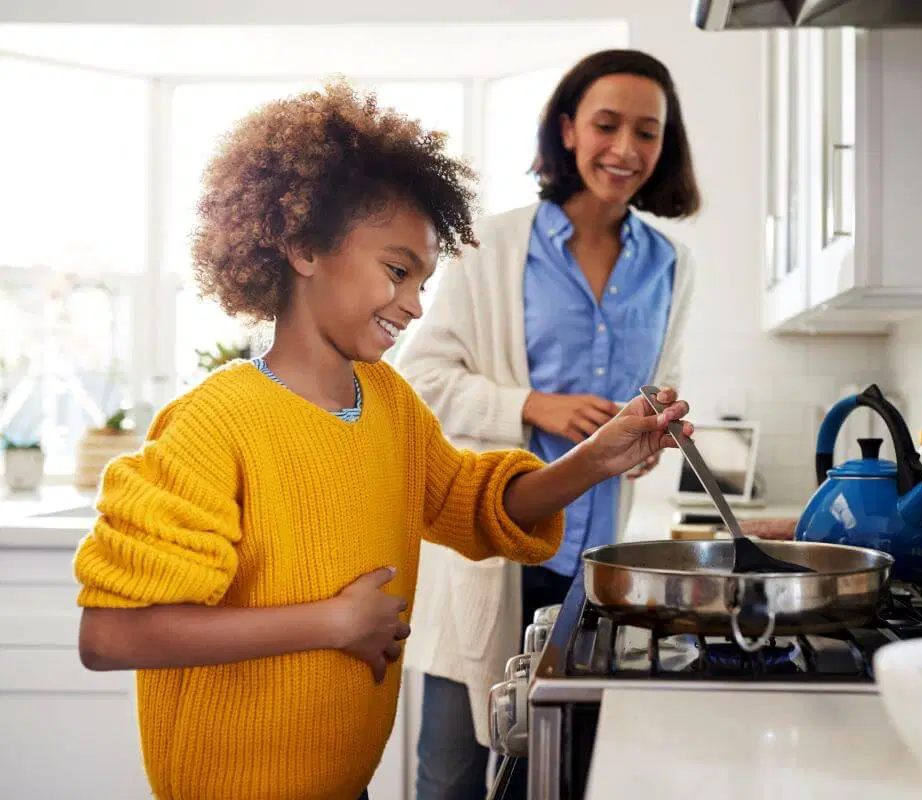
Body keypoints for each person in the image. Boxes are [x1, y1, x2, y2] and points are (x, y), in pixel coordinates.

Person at [69, 79, 693, 800]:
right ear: (304, 247)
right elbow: (112, 635)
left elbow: (473, 504)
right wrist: (331, 622)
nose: (415, 304)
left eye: (422, 279)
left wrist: (598, 458)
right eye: (397, 271)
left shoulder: (389, 403)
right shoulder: (216, 423)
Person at [396, 49, 701, 799]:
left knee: (567, 778)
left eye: (647, 132)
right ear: (568, 130)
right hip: (486, 558)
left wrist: (647, 438)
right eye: (606, 124)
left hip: (595, 574)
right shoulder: (488, 247)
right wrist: (531, 406)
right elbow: (418, 380)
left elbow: (660, 388)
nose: (625, 149)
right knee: (453, 779)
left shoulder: (673, 265)